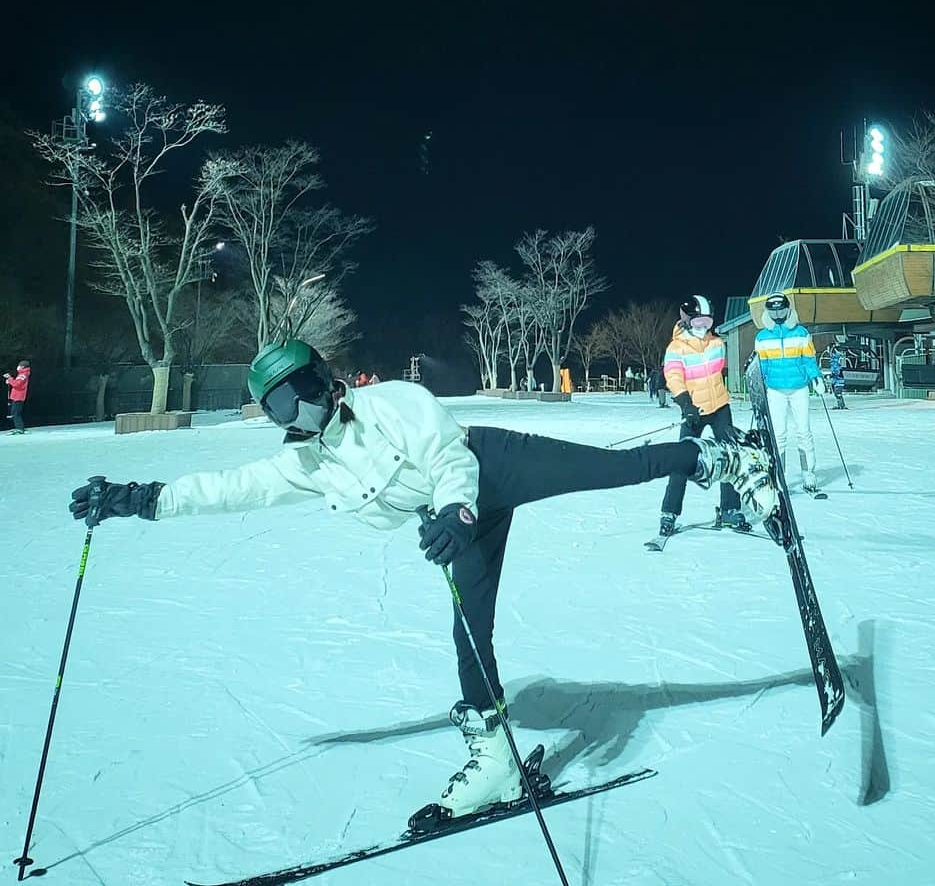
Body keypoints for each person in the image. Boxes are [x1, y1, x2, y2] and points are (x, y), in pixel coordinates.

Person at [69, 339, 777, 822]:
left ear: (324, 377)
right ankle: (495, 757)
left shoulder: (389, 404)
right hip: (454, 523)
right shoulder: (304, 465)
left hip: (490, 468)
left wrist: (455, 509)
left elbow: (447, 456)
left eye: (307, 389)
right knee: (469, 630)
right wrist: (140, 499)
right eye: (285, 405)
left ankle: (724, 463)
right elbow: (228, 489)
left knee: (608, 469)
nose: (304, 407)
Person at [659, 296, 746, 536]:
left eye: (707, 322)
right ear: (687, 321)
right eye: (698, 322)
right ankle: (669, 513)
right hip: (694, 412)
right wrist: (686, 404)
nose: (703, 328)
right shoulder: (675, 349)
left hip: (719, 407)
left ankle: (730, 509)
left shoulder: (717, 343)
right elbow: (674, 377)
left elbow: (718, 373)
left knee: (730, 457)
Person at [755, 294, 825, 493]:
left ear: (788, 309)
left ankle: (808, 473)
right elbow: (762, 365)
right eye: (773, 310)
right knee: (778, 435)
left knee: (804, 431)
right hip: (775, 390)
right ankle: (779, 476)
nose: (777, 314)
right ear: (768, 312)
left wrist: (815, 377)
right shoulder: (762, 337)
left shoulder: (801, 333)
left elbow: (809, 359)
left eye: (781, 309)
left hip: (799, 388)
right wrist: (759, 384)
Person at [4, 360, 31, 434]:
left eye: (19, 366)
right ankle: (19, 427)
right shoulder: (21, 374)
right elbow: (16, 383)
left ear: (22, 366)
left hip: (19, 396)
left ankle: (20, 428)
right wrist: (10, 380)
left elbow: (17, 384)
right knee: (14, 412)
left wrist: (9, 378)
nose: (18, 367)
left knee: (15, 413)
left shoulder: (23, 375)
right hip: (16, 396)